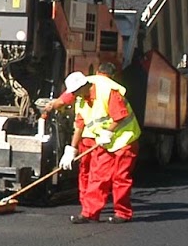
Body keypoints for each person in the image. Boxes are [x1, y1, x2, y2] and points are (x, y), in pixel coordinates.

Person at [58, 68, 141, 223]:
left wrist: (107, 133)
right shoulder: (81, 101)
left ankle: (122, 213)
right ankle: (89, 213)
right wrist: (71, 150)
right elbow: (79, 125)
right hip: (104, 143)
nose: (74, 95)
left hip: (125, 139)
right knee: (97, 176)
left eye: (76, 91)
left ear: (84, 86)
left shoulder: (107, 92)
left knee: (120, 177)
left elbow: (120, 115)